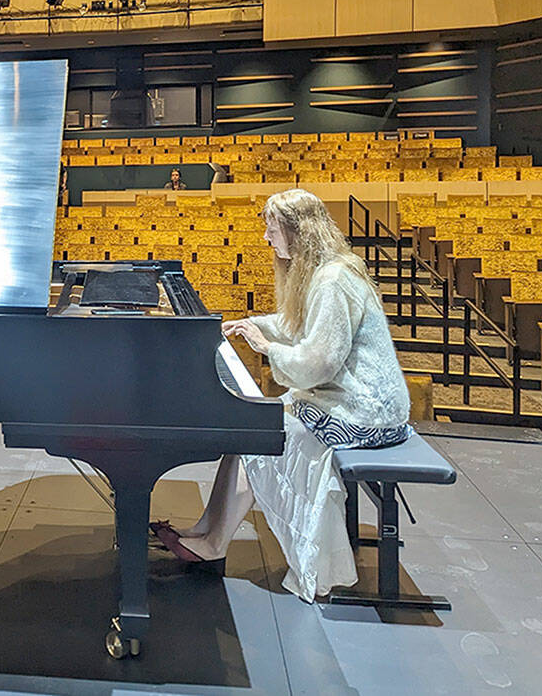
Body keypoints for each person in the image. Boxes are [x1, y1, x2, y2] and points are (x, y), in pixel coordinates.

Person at [152, 188, 411, 602]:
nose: (267, 238)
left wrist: (266, 347)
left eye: (272, 230)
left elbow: (320, 362)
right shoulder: (326, 272)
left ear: (298, 231)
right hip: (349, 401)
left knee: (261, 434)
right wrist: (250, 324)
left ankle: (215, 543)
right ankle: (205, 529)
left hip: (366, 414)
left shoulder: (334, 281)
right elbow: (301, 327)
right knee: (247, 426)